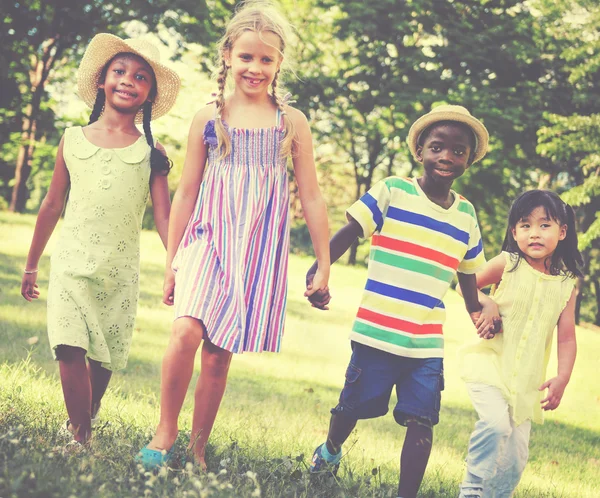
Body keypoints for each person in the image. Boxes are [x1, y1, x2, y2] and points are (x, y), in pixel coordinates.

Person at [137, 0, 330, 470]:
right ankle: (166, 430)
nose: (255, 67)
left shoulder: (292, 122)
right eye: (246, 57)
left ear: (279, 63)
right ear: (227, 56)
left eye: (266, 59)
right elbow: (185, 194)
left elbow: (312, 196)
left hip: (258, 251)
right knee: (186, 330)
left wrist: (324, 264)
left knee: (220, 353)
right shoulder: (209, 116)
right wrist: (173, 261)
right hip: (208, 239)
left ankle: (199, 448)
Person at [306, 105, 491, 498]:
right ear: (420, 149)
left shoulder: (466, 215)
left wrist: (478, 307)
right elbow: (352, 231)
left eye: (458, 151)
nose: (446, 157)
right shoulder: (394, 190)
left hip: (426, 342)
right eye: (438, 147)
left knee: (423, 419)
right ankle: (331, 450)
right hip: (377, 331)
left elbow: (469, 272)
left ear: (468, 160)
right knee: (351, 408)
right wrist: (320, 268)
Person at [20, 34, 179, 448]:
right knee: (67, 343)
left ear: (149, 94)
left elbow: (164, 215)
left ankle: (86, 414)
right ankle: (81, 435)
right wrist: (32, 264)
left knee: (103, 356)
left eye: (141, 77)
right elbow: (52, 204)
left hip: (119, 271)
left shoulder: (150, 151)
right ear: (102, 81)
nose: (129, 80)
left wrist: (176, 264)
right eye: (120, 72)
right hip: (71, 262)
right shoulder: (72, 139)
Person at [457, 189, 582, 498]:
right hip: (490, 364)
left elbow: (566, 336)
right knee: (496, 425)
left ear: (562, 231)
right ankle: (471, 488)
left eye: (544, 225)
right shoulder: (508, 263)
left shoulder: (567, 284)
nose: (534, 233)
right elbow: (466, 287)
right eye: (525, 225)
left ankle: (495, 495)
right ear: (514, 232)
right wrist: (486, 304)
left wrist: (562, 377)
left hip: (526, 380)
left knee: (515, 457)